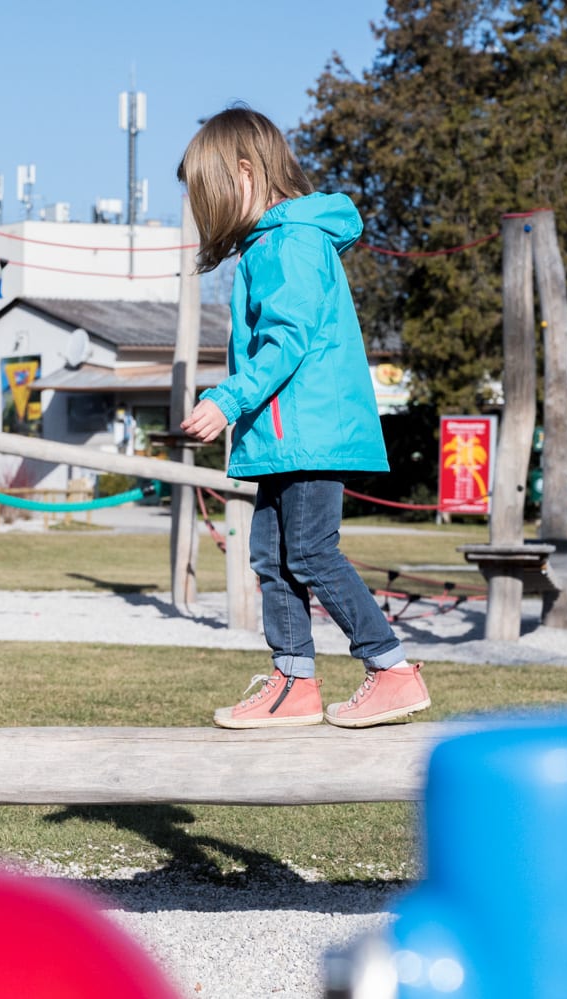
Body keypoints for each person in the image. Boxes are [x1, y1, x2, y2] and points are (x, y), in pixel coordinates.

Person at [178, 107, 430, 730]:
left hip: (307, 432)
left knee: (312, 553)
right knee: (272, 555)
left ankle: (392, 669)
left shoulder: (290, 242)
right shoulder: (271, 242)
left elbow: (287, 342)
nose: (205, 213)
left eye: (209, 196)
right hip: (285, 438)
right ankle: (295, 680)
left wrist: (226, 399)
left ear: (244, 173)